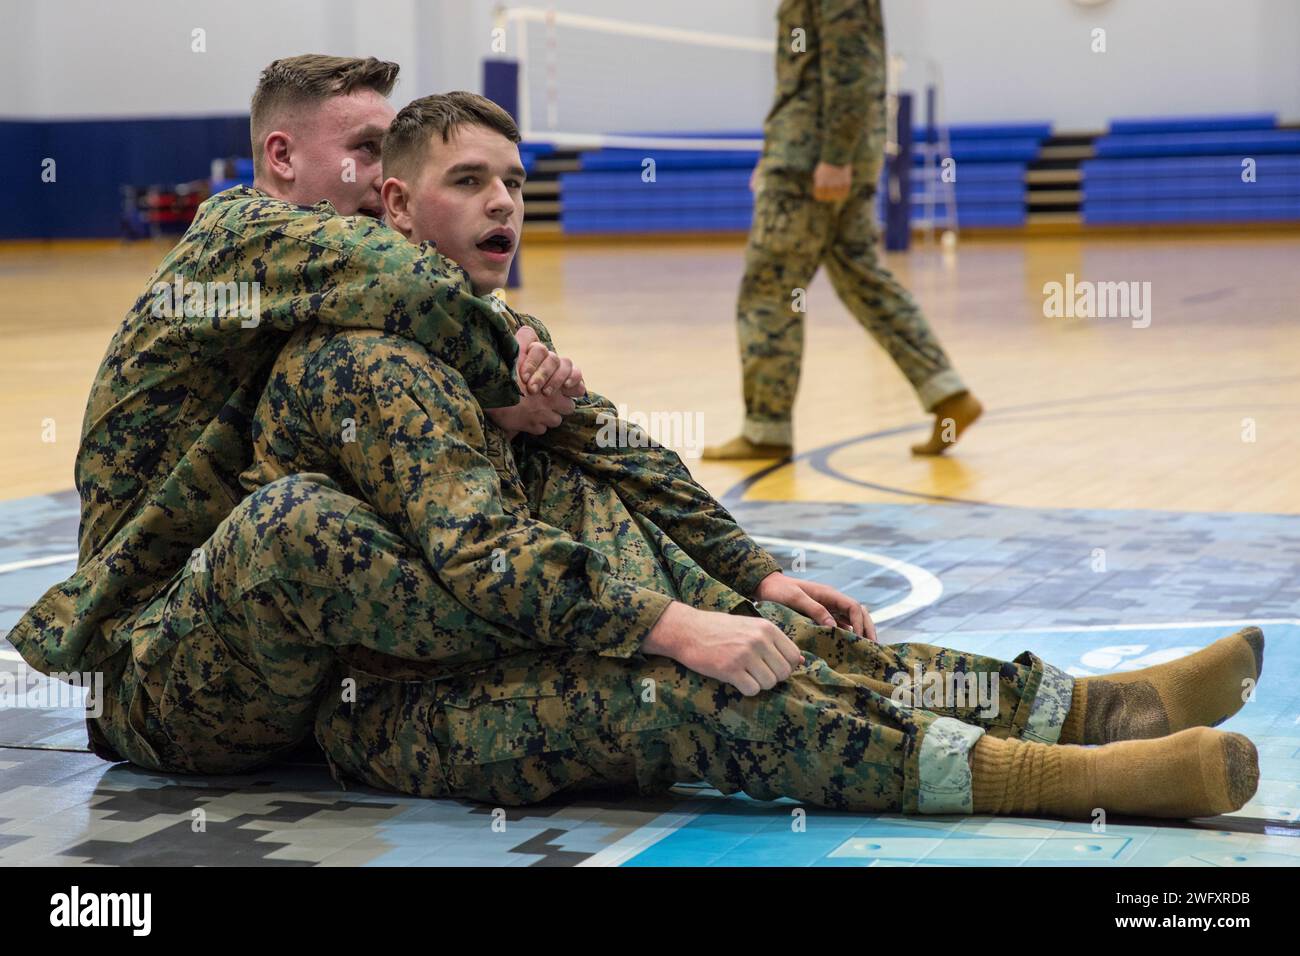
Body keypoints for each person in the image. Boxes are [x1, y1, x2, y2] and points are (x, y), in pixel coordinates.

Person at [254, 92, 1259, 820]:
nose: (503, 203)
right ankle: (1057, 779)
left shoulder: (495, 325)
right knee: (702, 685)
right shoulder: (367, 356)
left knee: (782, 631)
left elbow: (625, 451)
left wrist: (752, 574)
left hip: (515, 634)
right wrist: (674, 624)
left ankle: (1095, 706)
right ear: (391, 202)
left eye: (514, 182)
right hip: (407, 700)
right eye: (468, 182)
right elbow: (481, 554)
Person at [4, 55, 572, 770]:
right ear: (282, 155)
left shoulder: (325, 276)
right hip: (159, 667)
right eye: (365, 149)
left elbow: (463, 304)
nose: (382, 171)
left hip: (262, 627)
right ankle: (597, 626)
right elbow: (416, 282)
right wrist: (506, 374)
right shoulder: (241, 237)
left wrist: (523, 350)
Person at [703, 0, 982, 461]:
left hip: (813, 158)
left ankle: (766, 429)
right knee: (860, 275)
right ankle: (947, 393)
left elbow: (851, 62)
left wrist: (832, 156)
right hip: (820, 149)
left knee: (769, 287)